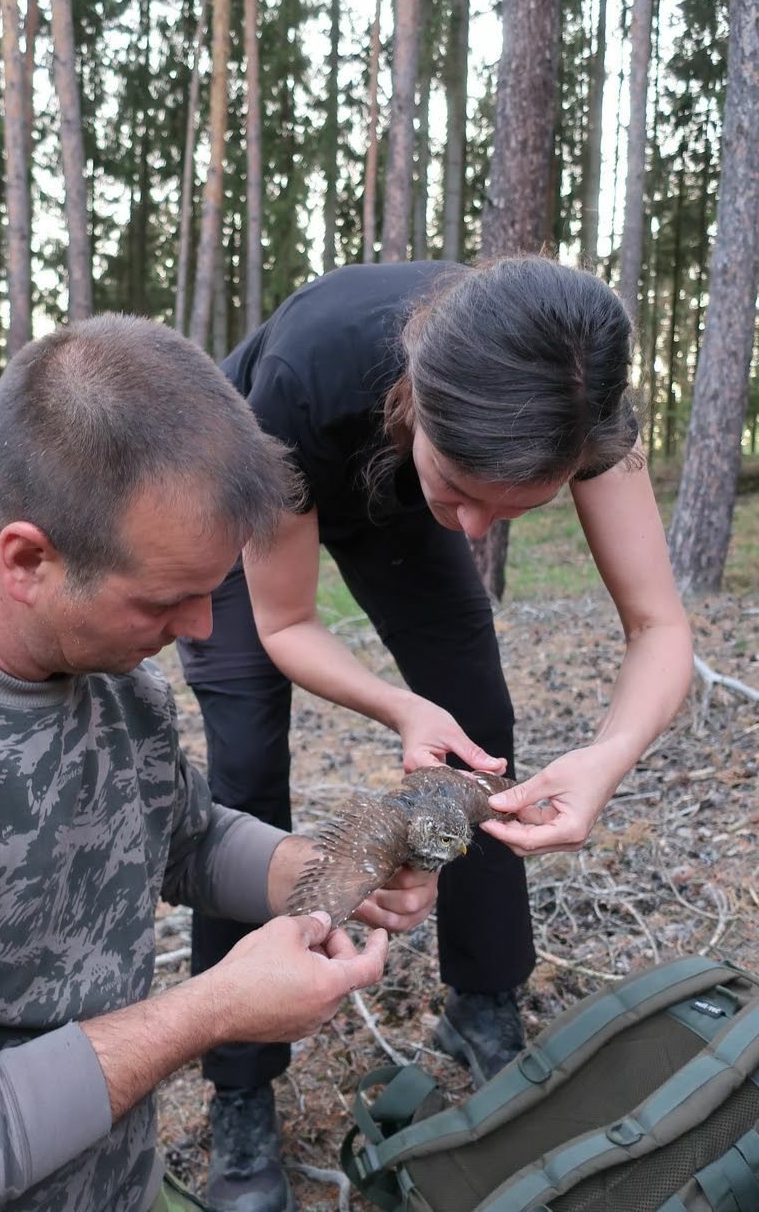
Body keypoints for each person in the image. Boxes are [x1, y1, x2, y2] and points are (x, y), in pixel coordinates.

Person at [0, 314, 441, 1212]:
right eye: (167, 600)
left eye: (214, 592)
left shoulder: (114, 677)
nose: (200, 631)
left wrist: (328, 875)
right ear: (27, 560)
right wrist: (211, 1011)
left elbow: (183, 841)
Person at [177, 255, 694, 1212]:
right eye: (461, 493)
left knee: (480, 736)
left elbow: (660, 627)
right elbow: (287, 624)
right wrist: (398, 706)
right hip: (260, 476)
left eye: (512, 512)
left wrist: (609, 760)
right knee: (245, 775)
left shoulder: (575, 400)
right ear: (419, 400)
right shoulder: (304, 374)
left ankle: (484, 1003)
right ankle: (241, 1091)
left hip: (395, 477)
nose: (472, 532)